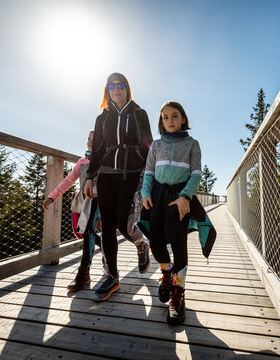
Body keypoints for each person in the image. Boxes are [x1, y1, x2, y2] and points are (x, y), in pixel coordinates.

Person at [139, 101, 215, 325]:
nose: (170, 120)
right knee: (156, 242)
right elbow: (149, 171)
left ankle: (178, 292)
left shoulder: (192, 144)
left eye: (174, 116)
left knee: (179, 243)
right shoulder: (156, 144)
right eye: (165, 117)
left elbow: (196, 173)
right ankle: (166, 273)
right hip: (157, 197)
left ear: (183, 119)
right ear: (161, 122)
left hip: (180, 199)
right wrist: (145, 192)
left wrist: (185, 197)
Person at [84, 72, 153, 302]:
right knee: (107, 226)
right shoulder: (102, 117)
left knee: (124, 222)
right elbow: (97, 150)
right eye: (112, 85)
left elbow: (148, 146)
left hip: (131, 174)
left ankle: (141, 246)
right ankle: (112, 276)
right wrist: (90, 177)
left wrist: (152, 177)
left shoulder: (139, 114)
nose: (116, 89)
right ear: (107, 90)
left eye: (120, 84)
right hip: (106, 176)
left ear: (127, 88)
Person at [43, 131, 100, 292]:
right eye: (88, 139)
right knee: (82, 231)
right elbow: (68, 181)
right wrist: (52, 197)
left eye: (94, 140)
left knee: (88, 229)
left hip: (99, 199)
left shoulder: (103, 160)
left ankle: (84, 272)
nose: (90, 142)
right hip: (84, 200)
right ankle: (103, 248)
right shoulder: (81, 162)